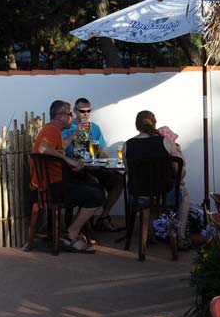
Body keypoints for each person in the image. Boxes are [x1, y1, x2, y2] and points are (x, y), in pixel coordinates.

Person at [33, 100, 103, 253]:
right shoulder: (51, 130)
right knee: (97, 194)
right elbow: (43, 147)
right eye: (70, 114)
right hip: (52, 188)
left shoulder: (53, 130)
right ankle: (71, 235)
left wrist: (73, 134)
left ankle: (73, 232)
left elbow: (60, 147)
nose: (72, 116)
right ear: (60, 117)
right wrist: (69, 160)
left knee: (93, 186)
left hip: (52, 185)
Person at [123, 111, 190, 251]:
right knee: (183, 194)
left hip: (138, 197)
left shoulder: (127, 145)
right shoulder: (166, 142)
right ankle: (180, 236)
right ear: (154, 124)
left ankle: (150, 232)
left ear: (137, 125)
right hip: (163, 196)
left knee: (150, 193)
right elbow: (181, 174)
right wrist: (180, 154)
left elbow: (130, 173)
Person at [62, 97, 123, 232]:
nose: (86, 114)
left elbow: (102, 151)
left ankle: (103, 217)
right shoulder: (67, 127)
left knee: (118, 180)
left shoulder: (95, 128)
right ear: (75, 111)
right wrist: (75, 132)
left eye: (88, 111)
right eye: (82, 111)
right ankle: (81, 226)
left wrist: (110, 163)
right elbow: (60, 149)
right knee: (93, 183)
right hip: (74, 168)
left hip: (93, 166)